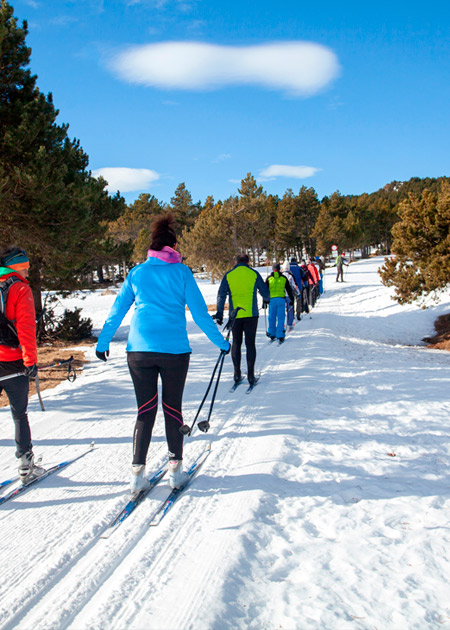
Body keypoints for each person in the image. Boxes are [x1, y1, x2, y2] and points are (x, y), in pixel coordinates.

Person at [96, 214, 230, 498]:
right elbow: (199, 314)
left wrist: (103, 342)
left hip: (139, 352)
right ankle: (175, 472)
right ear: (173, 247)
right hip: (174, 352)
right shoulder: (182, 273)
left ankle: (137, 476)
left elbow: (117, 311)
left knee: (145, 411)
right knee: (172, 409)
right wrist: (222, 343)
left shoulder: (137, 273)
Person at [0, 247, 42, 482]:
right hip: (12, 362)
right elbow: (26, 328)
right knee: (19, 414)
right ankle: (25, 463)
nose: (28, 269)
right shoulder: (19, 288)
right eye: (25, 265)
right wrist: (30, 362)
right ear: (15, 266)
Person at [214, 253, 269, 385]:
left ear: (235, 262)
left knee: (236, 343)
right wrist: (266, 300)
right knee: (250, 344)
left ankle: (237, 373)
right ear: (248, 261)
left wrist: (220, 313)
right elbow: (265, 292)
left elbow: (221, 295)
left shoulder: (229, 275)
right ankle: (250, 375)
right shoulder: (253, 274)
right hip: (251, 314)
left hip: (235, 316)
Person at [265, 263, 294, 342]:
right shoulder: (284, 278)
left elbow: (265, 291)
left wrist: (264, 300)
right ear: (279, 269)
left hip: (272, 300)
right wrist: (292, 299)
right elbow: (289, 290)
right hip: (281, 299)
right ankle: (280, 334)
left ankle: (271, 333)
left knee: (272, 317)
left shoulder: (269, 278)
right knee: (281, 317)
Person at [281, 261, 299, 331]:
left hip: (281, 295)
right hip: (289, 295)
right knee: (290, 309)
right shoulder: (290, 276)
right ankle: (290, 323)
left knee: (282, 310)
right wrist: (298, 293)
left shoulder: (281, 276)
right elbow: (294, 286)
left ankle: (282, 323)